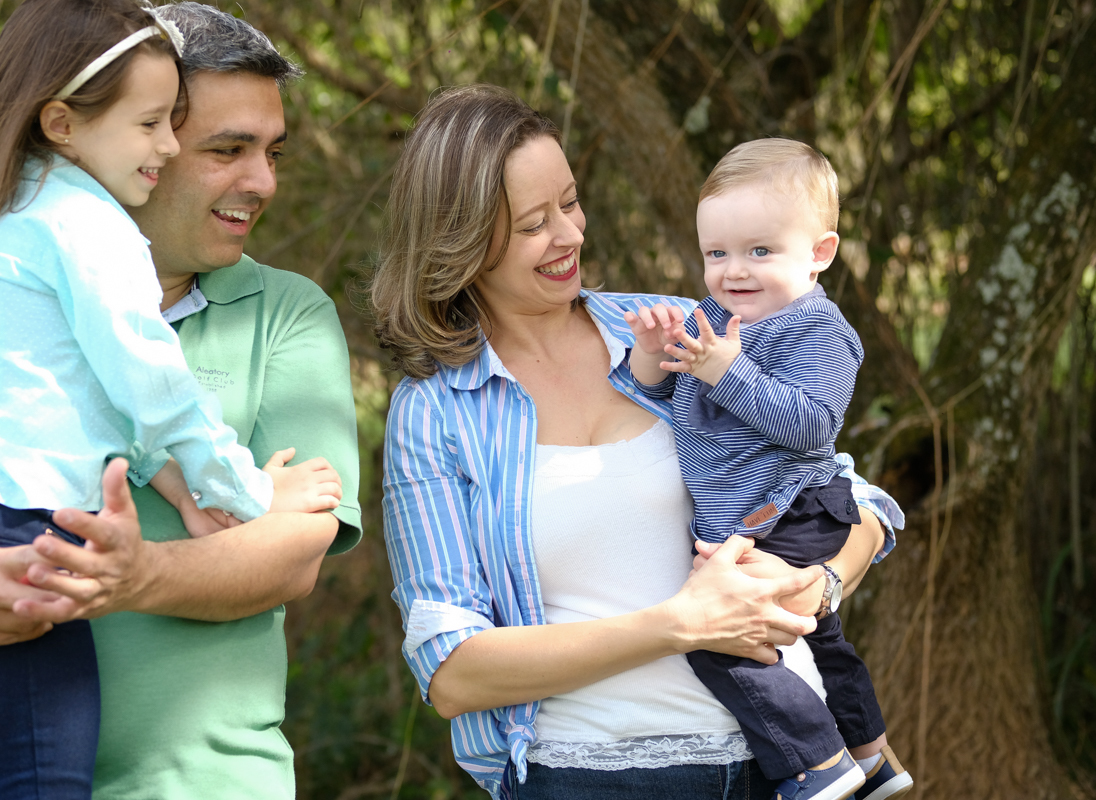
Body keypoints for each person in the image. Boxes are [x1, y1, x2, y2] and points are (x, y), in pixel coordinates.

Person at [371, 84, 904, 800]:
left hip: (781, 769)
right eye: (534, 223)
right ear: (461, 240)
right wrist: (677, 626)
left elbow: (847, 490)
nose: (570, 235)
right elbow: (452, 671)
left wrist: (825, 579)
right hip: (589, 778)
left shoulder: (678, 328)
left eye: (571, 201)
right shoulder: (435, 412)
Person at [0, 3, 361, 798]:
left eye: (273, 152)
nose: (264, 181)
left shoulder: (289, 313)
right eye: (227, 148)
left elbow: (293, 555)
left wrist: (133, 574)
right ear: (82, 129)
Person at [625, 139, 912, 800]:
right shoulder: (712, 320)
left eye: (760, 251)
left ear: (819, 254)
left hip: (796, 506)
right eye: (716, 254)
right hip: (758, 511)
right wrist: (650, 355)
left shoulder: (817, 329)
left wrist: (728, 371)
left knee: (717, 639)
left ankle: (817, 763)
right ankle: (872, 758)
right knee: (824, 639)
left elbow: (812, 422)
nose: (735, 271)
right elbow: (668, 399)